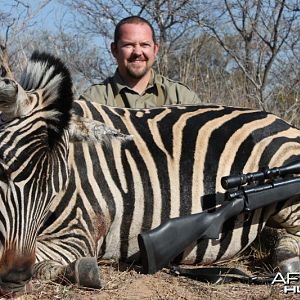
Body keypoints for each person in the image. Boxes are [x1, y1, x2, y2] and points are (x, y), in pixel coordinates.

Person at [79, 16, 200, 108]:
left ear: (155, 49)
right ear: (114, 50)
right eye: (128, 45)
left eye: (144, 45)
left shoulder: (181, 97)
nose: (137, 52)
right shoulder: (93, 100)